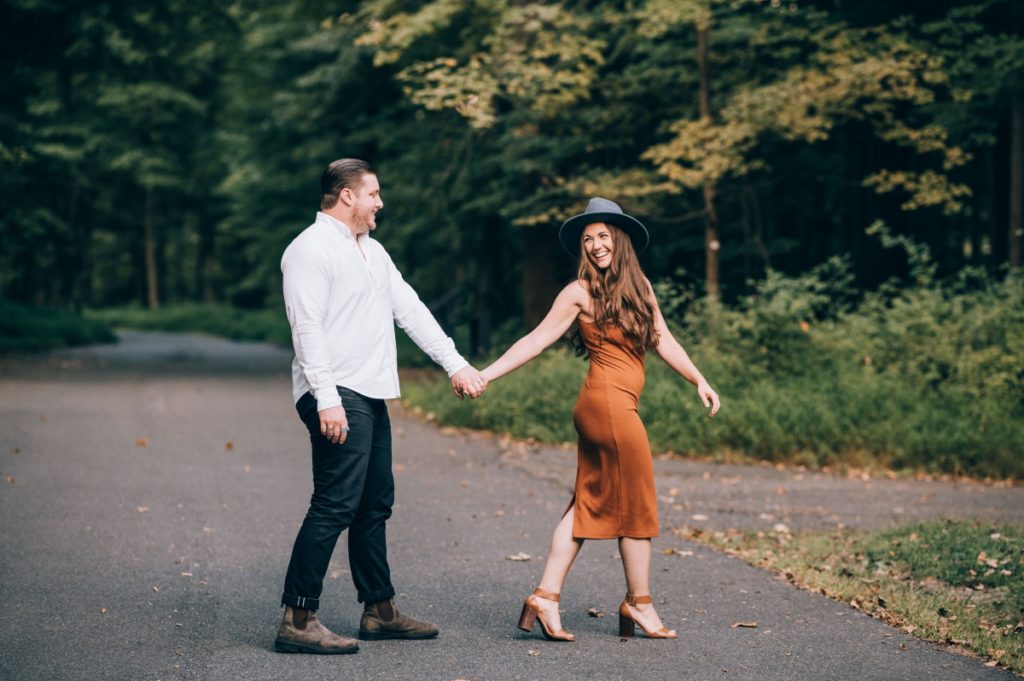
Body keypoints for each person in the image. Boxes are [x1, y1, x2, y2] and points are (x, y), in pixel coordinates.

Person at [481, 197, 720, 642]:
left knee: (589, 502)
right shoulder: (579, 293)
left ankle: (546, 597)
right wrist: (486, 374)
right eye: (588, 239)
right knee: (638, 503)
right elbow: (536, 340)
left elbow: (663, 340)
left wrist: (699, 380)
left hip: (609, 407)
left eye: (603, 236)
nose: (594, 245)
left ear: (620, 240)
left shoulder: (640, 288)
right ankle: (640, 605)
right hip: (608, 407)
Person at [274, 158, 487, 655]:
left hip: (369, 392)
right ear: (346, 196)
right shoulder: (309, 250)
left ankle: (380, 611)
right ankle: (298, 618)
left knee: (374, 504)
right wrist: (327, 400)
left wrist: (455, 364)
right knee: (334, 504)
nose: (380, 203)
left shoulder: (372, 251)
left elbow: (410, 309)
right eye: (373, 194)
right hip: (336, 392)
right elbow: (306, 329)